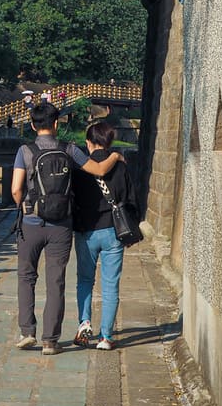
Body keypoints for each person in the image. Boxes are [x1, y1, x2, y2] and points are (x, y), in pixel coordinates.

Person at [11, 103, 122, 355]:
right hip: (61, 225)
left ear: (32, 125)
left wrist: (26, 208)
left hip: (30, 224)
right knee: (56, 281)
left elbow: (16, 189)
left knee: (26, 277)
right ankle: (50, 341)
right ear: (56, 123)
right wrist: (116, 156)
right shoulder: (69, 149)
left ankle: (28, 332)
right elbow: (99, 169)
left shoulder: (24, 151)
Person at [72, 120, 136, 351]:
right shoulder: (120, 165)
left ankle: (84, 323)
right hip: (113, 231)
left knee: (85, 280)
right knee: (110, 285)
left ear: (88, 142)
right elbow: (130, 198)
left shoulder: (80, 166)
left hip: (86, 230)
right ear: (109, 141)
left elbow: (72, 198)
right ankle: (106, 337)